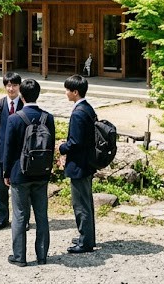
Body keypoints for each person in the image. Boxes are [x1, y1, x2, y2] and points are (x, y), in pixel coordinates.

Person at [2, 78, 53, 267]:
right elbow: (51, 146)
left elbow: (8, 149)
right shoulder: (48, 118)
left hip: (20, 173)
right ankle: (42, 256)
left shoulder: (15, 118)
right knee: (42, 215)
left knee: (20, 215)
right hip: (41, 173)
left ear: (21, 95)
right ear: (38, 95)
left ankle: (20, 257)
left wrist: (6, 172)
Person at [59, 74, 96, 253]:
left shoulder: (78, 113)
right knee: (86, 201)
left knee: (80, 204)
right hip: (87, 162)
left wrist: (61, 147)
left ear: (75, 92)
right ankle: (88, 236)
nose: (66, 93)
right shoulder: (88, 108)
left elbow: (75, 142)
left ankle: (85, 242)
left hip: (79, 165)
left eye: (67, 90)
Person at [0, 72, 24, 230]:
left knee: (21, 188)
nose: (11, 89)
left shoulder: (24, 104)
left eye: (14, 85)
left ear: (19, 86)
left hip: (20, 153)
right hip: (2, 152)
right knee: (2, 188)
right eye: (9, 85)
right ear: (5, 86)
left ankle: (22, 220)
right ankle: (2, 219)